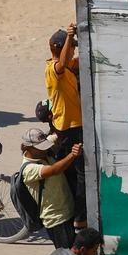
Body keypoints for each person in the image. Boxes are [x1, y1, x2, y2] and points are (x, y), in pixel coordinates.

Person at [45, 24, 86, 224]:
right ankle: (78, 219)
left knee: (76, 175)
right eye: (71, 47)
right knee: (79, 176)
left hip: (74, 127)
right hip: (67, 130)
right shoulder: (52, 69)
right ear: (59, 48)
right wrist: (69, 37)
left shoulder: (69, 65)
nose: (73, 51)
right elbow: (61, 65)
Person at [19, 127, 81, 248]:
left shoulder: (42, 154)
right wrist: (72, 155)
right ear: (27, 147)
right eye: (40, 148)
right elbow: (54, 170)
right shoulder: (28, 169)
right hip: (57, 221)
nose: (45, 150)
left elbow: (56, 134)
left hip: (69, 212)